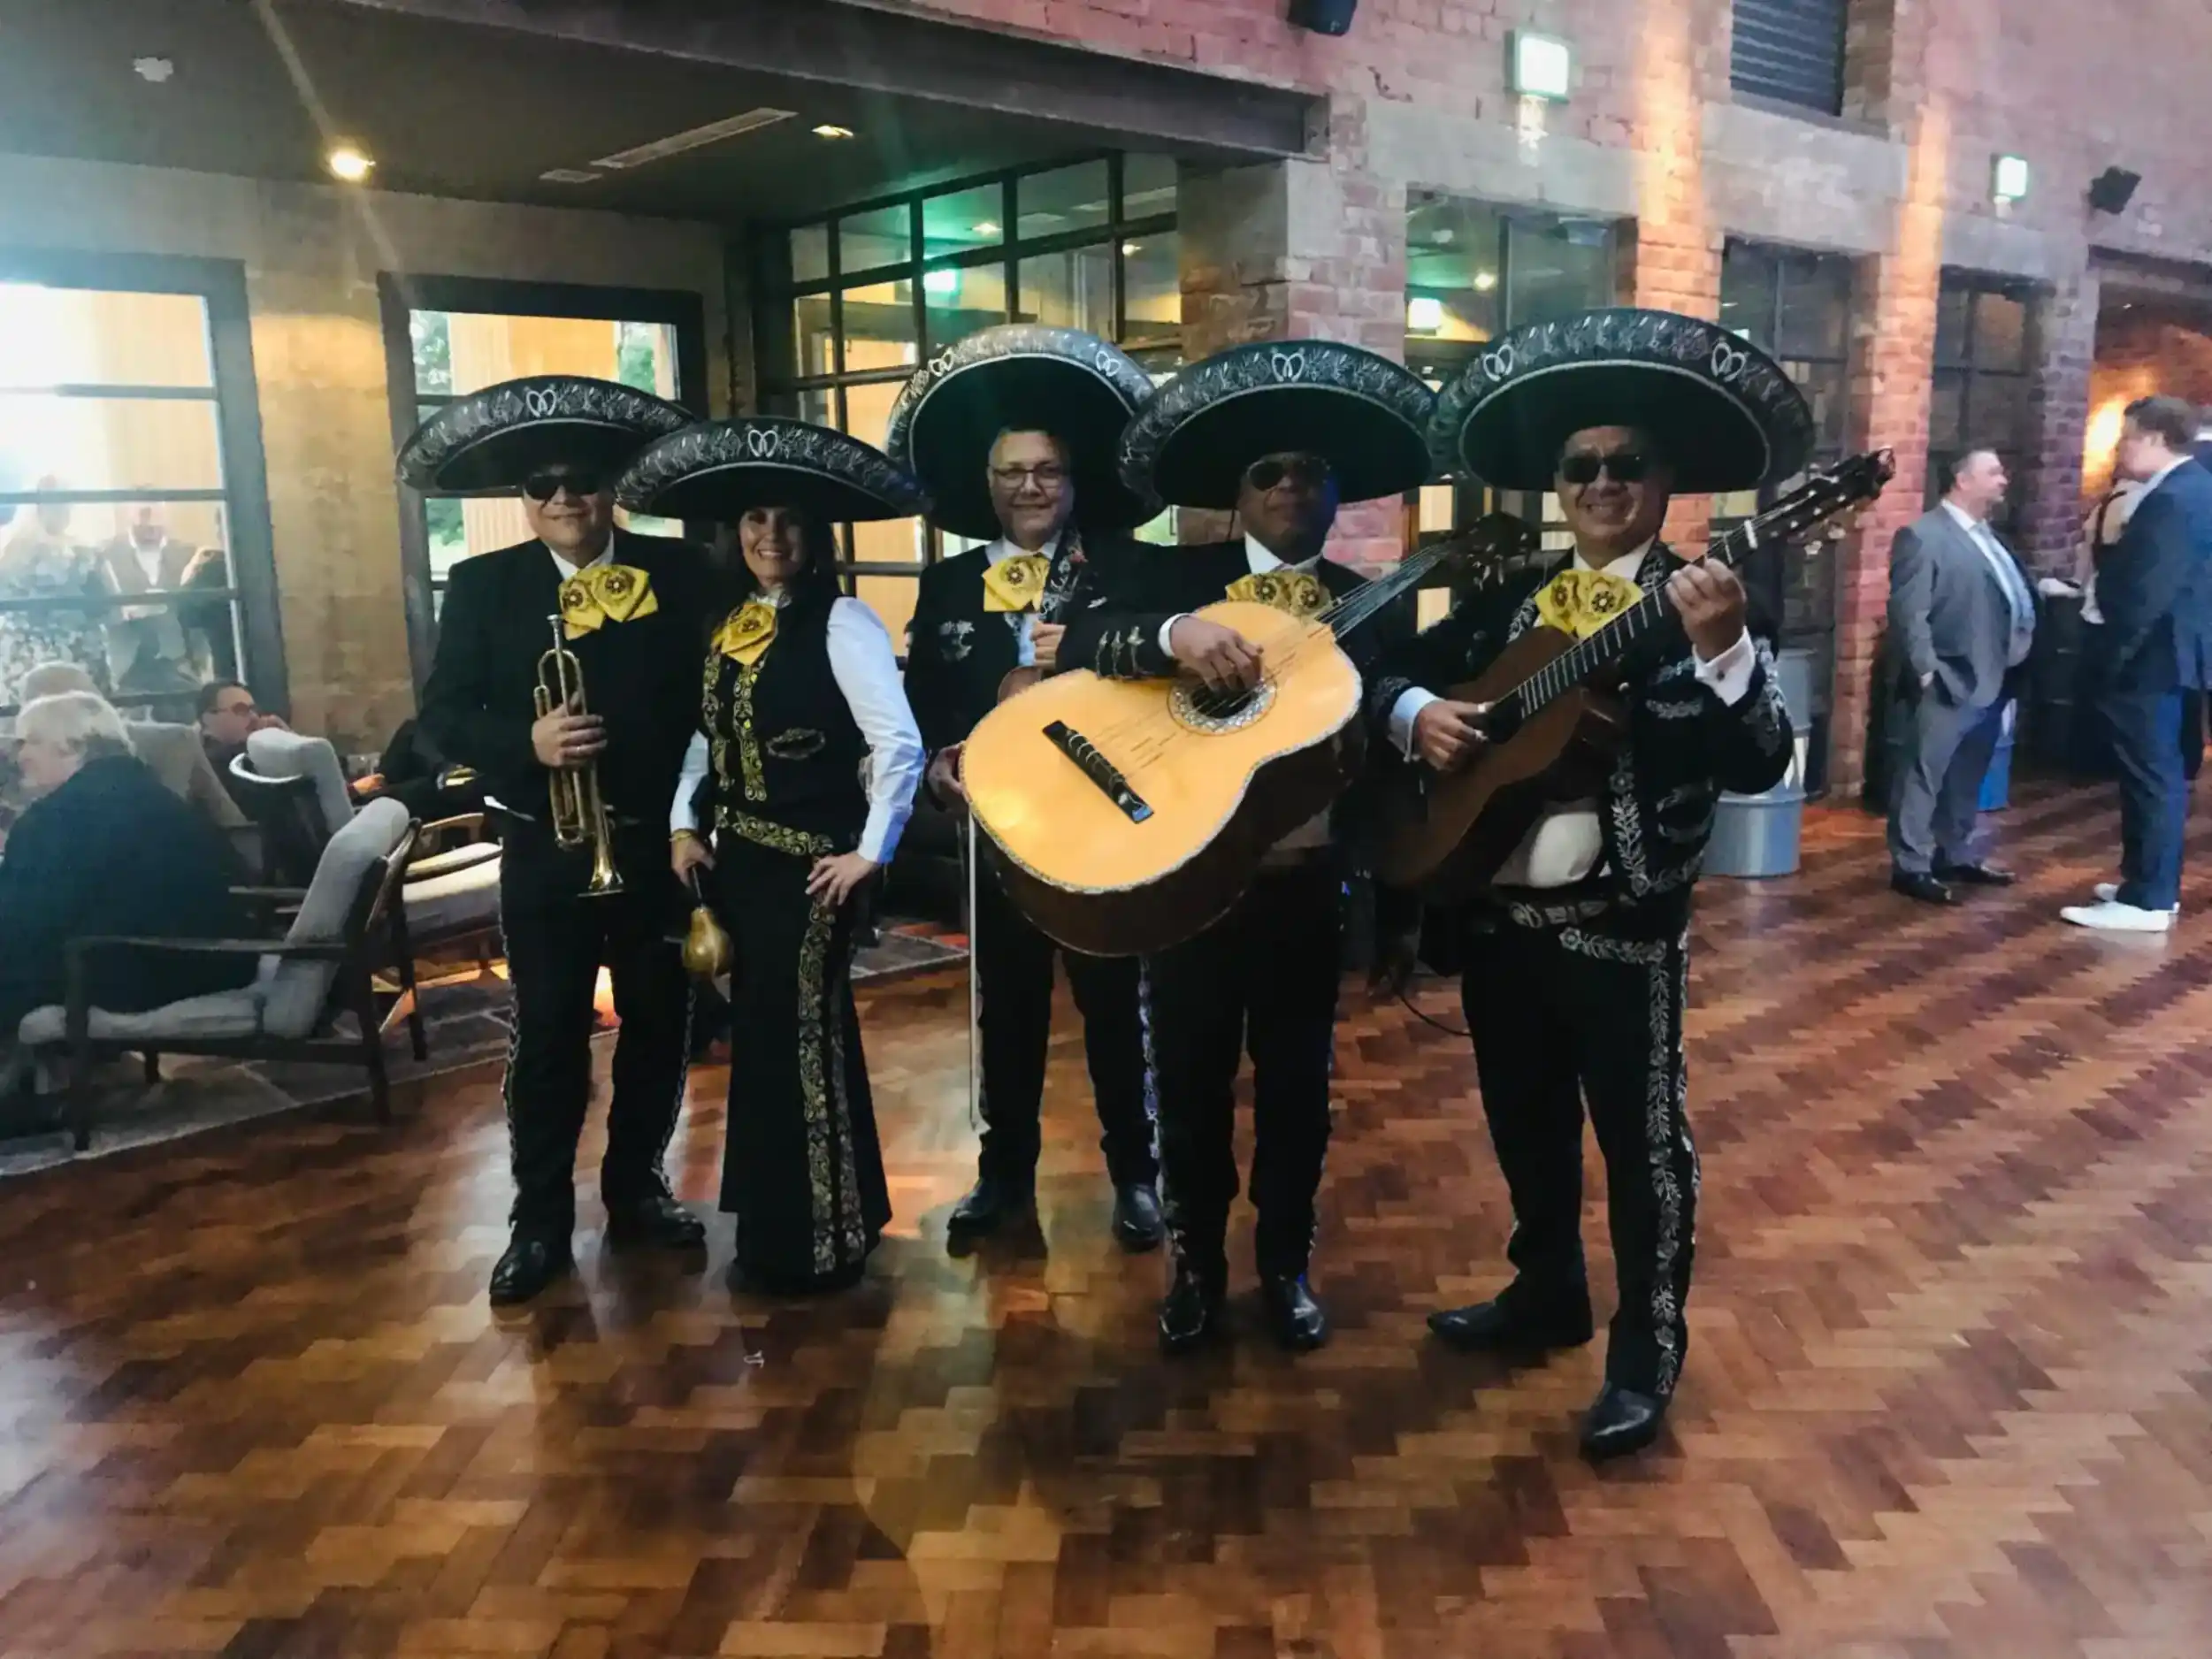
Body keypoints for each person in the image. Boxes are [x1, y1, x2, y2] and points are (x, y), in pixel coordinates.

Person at [1372, 307, 1803, 1461]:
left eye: (1626, 465)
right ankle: (1545, 1293)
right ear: (1558, 487)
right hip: (1498, 920)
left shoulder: (1700, 599)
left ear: (1665, 482)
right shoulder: (1514, 603)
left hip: (1620, 930)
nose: (1603, 483)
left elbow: (1763, 759)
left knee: (1641, 1144)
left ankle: (1643, 1351)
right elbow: (1393, 671)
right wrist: (1421, 717)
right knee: (1523, 1129)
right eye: (1582, 468)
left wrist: (1722, 653)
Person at [1056, 338, 1435, 1354]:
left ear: (1332, 491)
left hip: (1307, 887)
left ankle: (1283, 1263)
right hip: (1192, 887)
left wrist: (1399, 916)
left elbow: (1402, 772)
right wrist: (1178, 633)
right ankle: (1195, 1264)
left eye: (1309, 472)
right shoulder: (1168, 573)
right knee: (1183, 1088)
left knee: (1298, 1096)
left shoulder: (1376, 602)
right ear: (1238, 491)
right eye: (1268, 472)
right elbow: (1087, 633)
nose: (1288, 488)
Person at [405, 374, 710, 1305]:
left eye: (582, 480)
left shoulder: (680, 572)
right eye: (542, 485)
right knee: (546, 1038)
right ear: (522, 500)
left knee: (662, 1025)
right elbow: (440, 720)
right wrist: (524, 743)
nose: (564, 499)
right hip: (547, 843)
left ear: (610, 488)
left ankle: (635, 1185)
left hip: (655, 844)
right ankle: (536, 1220)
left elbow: (710, 698)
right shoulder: (483, 583)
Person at [625, 416, 927, 1295]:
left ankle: (824, 1237)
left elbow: (897, 742)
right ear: (736, 533)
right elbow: (703, 739)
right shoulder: (727, 624)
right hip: (738, 866)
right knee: (761, 1043)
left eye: (788, 521)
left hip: (810, 871)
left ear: (814, 533)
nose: (770, 536)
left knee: (803, 1040)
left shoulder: (844, 622)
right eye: (755, 520)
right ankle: (773, 1225)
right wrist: (685, 823)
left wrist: (870, 852)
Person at [889, 325, 1164, 1250]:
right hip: (996, 836)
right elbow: (924, 697)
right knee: (1002, 1013)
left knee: (1112, 1009)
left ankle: (1138, 1177)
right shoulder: (947, 584)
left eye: (1046, 470)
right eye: (1012, 472)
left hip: (1098, 830)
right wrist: (936, 761)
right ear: (988, 485)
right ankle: (1001, 1179)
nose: (1030, 487)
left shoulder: (1127, 571)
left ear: (1073, 480)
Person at [0, 692, 254, 1042]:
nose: (20, 756)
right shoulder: (151, 793)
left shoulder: (57, 818)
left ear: (70, 745)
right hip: (207, 962)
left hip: (127, 973)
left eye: (28, 742)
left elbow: (22, 922)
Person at [2063, 394, 2212, 933]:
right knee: (2157, 776)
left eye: (2126, 437)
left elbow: (2147, 592)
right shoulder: (2191, 488)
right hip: (2169, 658)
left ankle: (2148, 898)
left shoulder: (2175, 497)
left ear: (2152, 438)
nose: (2121, 448)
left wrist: (2112, 659)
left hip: (2151, 660)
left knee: (2153, 779)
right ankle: (2144, 884)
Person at [1884, 447, 2038, 905]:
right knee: (1924, 774)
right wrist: (1927, 671)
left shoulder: (1990, 536)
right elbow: (1909, 612)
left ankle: (1954, 853)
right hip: (1951, 677)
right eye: (1993, 472)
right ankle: (1910, 865)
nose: (2004, 480)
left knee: (1968, 772)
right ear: (1961, 479)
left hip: (1996, 678)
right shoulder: (1922, 535)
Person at [196, 678, 289, 802]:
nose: (254, 717)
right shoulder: (217, 761)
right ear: (208, 718)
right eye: (241, 710)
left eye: (253, 709)